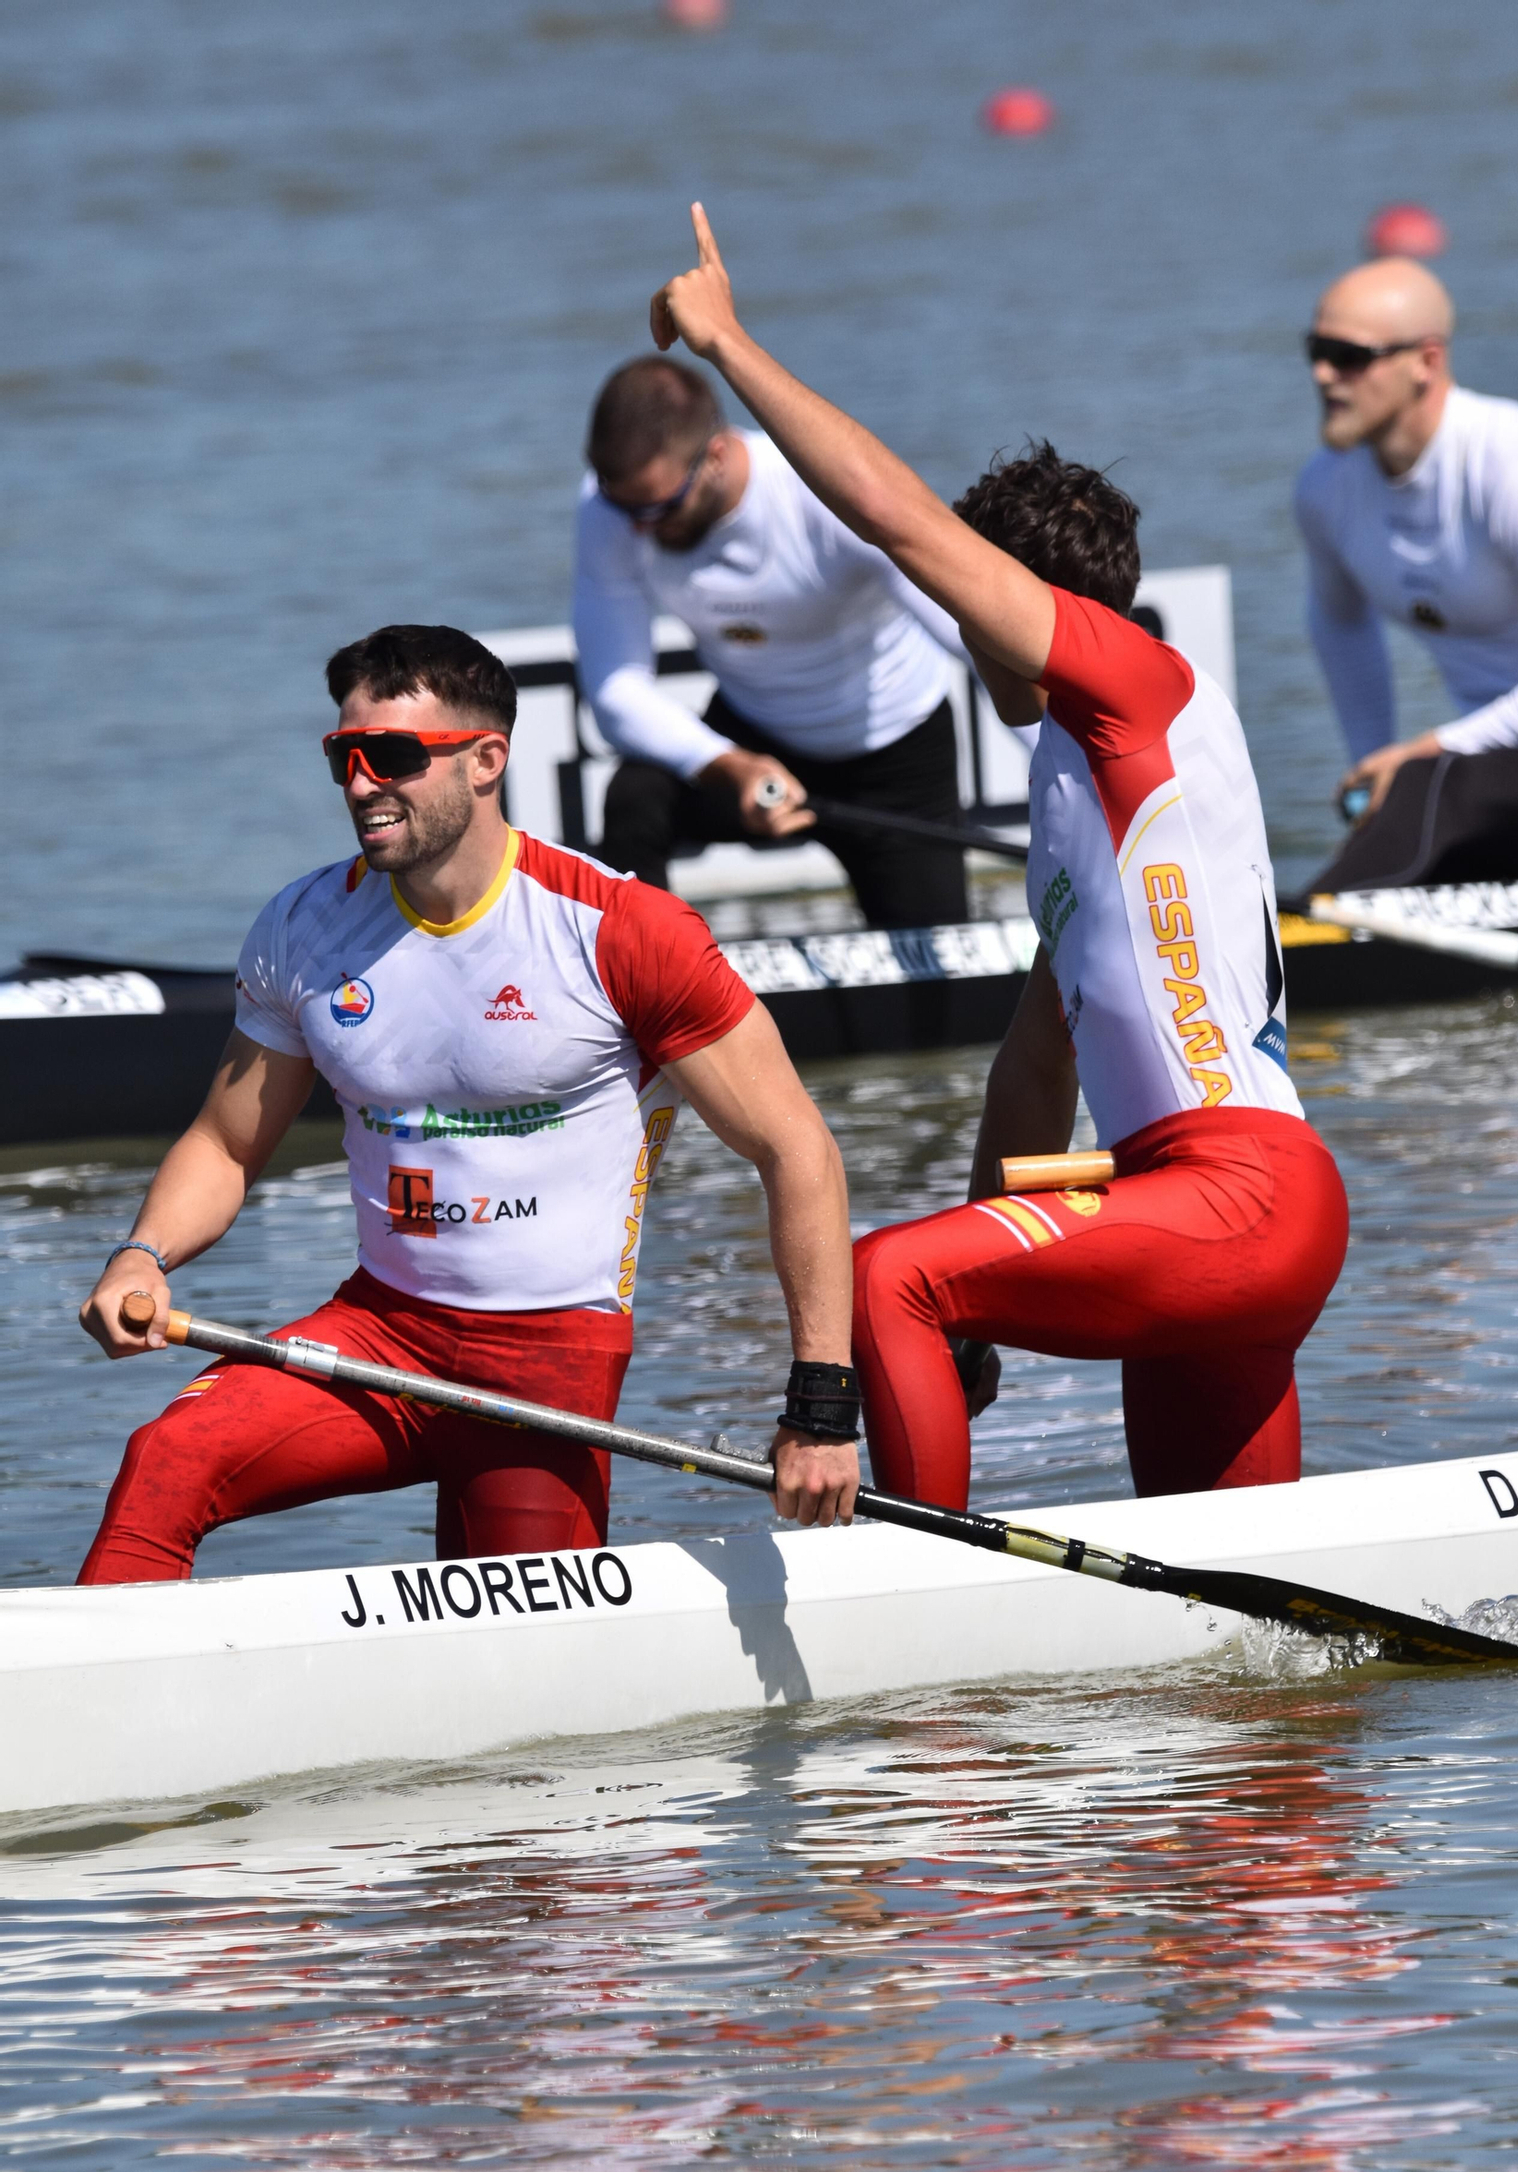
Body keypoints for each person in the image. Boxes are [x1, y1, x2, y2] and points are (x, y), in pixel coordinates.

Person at [646, 208, 1349, 1503]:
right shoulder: (1083, 795)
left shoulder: (1135, 686)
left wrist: (729, 346)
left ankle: (916, 1621)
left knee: (882, 1273)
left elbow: (894, 518)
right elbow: (1035, 1070)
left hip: (1235, 1195)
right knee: (1239, 1628)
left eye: (972, 604)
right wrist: (970, 1312)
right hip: (1197, 1223)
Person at [76, 623, 860, 1583]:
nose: (363, 783)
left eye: (394, 755)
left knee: (527, 1680)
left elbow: (797, 1152)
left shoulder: (622, 932)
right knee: (165, 1460)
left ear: (487, 760)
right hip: (379, 1333)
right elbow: (228, 1144)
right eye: (343, 757)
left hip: (550, 1358)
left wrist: (820, 1409)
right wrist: (140, 1254)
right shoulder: (303, 926)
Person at [574, 354, 975, 929]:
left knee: (944, 994)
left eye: (660, 509)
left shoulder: (824, 493)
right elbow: (615, 691)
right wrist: (729, 764)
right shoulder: (612, 506)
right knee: (636, 798)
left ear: (716, 454)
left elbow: (979, 640)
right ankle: (648, 999)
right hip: (753, 743)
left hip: (893, 753)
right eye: (624, 508)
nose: (637, 529)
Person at [1294, 257, 1518, 894]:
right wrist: (1370, 774)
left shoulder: (1514, 463)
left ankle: (1305, 933)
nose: (1324, 374)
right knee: (1420, 793)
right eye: (1316, 350)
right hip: (1516, 772)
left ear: (1425, 362)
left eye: (1348, 355)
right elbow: (1342, 629)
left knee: (1431, 782)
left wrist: (1427, 751)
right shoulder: (1326, 488)